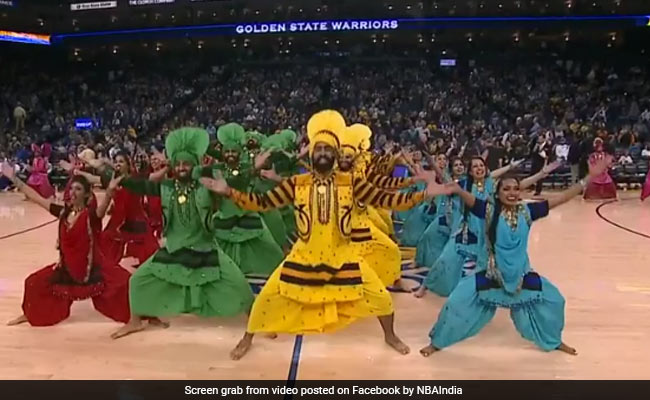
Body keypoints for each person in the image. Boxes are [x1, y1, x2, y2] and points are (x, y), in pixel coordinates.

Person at [200, 110, 444, 360]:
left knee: (381, 298)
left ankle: (390, 336)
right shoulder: (297, 183)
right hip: (303, 257)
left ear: (336, 155)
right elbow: (262, 203)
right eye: (319, 149)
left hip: (343, 256)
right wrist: (229, 192)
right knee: (266, 298)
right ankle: (247, 337)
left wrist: (423, 195)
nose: (324, 153)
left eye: (329, 150)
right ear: (313, 153)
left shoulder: (351, 183)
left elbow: (386, 199)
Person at [419, 156, 610, 357]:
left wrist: (589, 177)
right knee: (456, 303)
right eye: (506, 189)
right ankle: (437, 343)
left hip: (520, 274)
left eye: (515, 189)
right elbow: (469, 198)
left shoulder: (528, 211)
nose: (511, 193)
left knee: (555, 300)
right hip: (491, 273)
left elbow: (562, 197)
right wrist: (457, 189)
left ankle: (553, 341)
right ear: (498, 193)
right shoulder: (489, 211)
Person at [110, 128, 254, 339]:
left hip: (205, 247)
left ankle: (255, 322)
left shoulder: (206, 185)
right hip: (174, 248)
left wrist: (246, 172)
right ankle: (135, 321)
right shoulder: (166, 187)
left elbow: (237, 182)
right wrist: (119, 180)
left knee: (239, 283)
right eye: (177, 164)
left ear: (194, 164)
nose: (181, 167)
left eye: (186, 163)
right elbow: (141, 185)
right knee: (137, 280)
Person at [1, 163, 130, 326]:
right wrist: (14, 179)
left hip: (91, 269)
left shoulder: (90, 216)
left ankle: (138, 318)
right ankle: (30, 314)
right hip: (66, 269)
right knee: (32, 282)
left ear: (86, 194)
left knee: (126, 282)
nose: (73, 192)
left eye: (78, 189)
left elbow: (102, 209)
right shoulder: (64, 212)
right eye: (72, 188)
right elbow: (37, 198)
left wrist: (109, 193)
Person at [199, 123, 285, 276]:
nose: (230, 154)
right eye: (227, 151)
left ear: (240, 152)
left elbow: (242, 177)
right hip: (224, 218)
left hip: (247, 215)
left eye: (234, 151)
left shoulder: (247, 166)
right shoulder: (216, 169)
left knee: (273, 254)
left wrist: (255, 168)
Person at [74, 151, 159, 269]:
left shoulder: (136, 177)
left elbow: (154, 177)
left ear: (128, 164)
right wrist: (78, 172)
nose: (118, 164)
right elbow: (94, 178)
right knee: (105, 246)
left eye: (121, 161)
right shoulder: (112, 179)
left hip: (136, 218)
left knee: (149, 249)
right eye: (116, 161)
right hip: (118, 219)